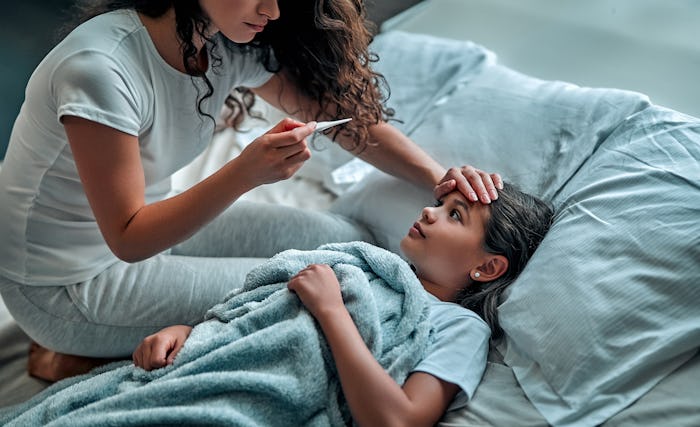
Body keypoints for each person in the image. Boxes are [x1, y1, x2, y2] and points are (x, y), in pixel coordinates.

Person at [0, 0, 500, 381]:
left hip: (154, 227)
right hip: (66, 282)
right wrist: (245, 172)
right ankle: (71, 350)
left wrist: (440, 179)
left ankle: (103, 342)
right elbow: (128, 239)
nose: (274, 10)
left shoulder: (217, 41)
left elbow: (340, 122)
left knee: (346, 240)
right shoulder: (100, 70)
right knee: (322, 290)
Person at [132, 182, 554, 426]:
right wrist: (187, 334)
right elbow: (250, 313)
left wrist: (332, 312)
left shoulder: (459, 327)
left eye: (455, 215)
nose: (428, 212)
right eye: (439, 204)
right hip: (196, 373)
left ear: (488, 267)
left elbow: (399, 421)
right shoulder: (361, 265)